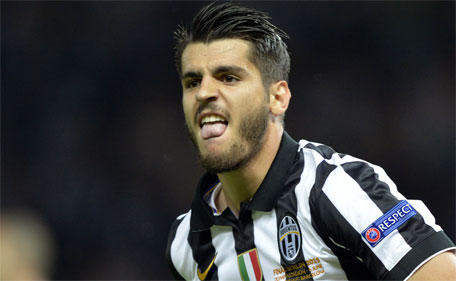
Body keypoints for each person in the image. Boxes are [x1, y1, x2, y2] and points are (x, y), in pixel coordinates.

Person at [166, 2, 456, 280]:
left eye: (228, 77)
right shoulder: (186, 243)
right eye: (192, 82)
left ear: (277, 98)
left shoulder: (336, 189)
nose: (203, 93)